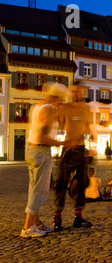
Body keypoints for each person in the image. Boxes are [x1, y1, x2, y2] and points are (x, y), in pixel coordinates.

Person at [21, 83, 71, 237]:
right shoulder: (49, 110)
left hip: (32, 149)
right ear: (58, 97)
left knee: (34, 187)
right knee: (40, 190)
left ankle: (36, 223)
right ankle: (27, 227)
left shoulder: (37, 106)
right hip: (41, 150)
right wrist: (62, 143)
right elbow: (42, 135)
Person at [52, 81, 97, 231]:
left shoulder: (86, 109)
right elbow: (56, 126)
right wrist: (61, 143)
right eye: (73, 91)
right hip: (68, 150)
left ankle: (78, 216)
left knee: (82, 183)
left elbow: (88, 128)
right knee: (61, 183)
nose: (76, 93)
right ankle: (57, 217)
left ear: (82, 92)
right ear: (71, 92)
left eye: (78, 91)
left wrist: (92, 144)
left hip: (81, 149)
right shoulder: (64, 107)